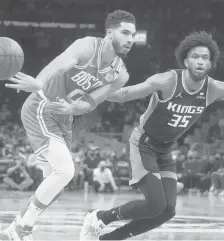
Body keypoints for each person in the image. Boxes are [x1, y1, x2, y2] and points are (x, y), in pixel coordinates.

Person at [0, 10, 136, 241]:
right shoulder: (86, 46)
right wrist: (39, 82)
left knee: (56, 184)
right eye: (125, 32)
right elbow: (61, 64)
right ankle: (21, 228)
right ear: (109, 32)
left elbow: (91, 101)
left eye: (132, 34)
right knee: (65, 171)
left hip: (64, 117)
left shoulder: (120, 74)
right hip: (41, 107)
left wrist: (73, 109)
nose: (130, 39)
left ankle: (19, 226)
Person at [80, 31, 224, 240]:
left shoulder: (213, 88)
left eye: (205, 58)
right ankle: (99, 217)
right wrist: (92, 93)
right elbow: (126, 94)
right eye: (195, 56)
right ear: (186, 61)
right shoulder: (167, 81)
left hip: (165, 150)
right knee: (155, 203)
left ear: (210, 64)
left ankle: (108, 239)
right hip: (143, 144)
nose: (200, 61)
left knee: (168, 210)